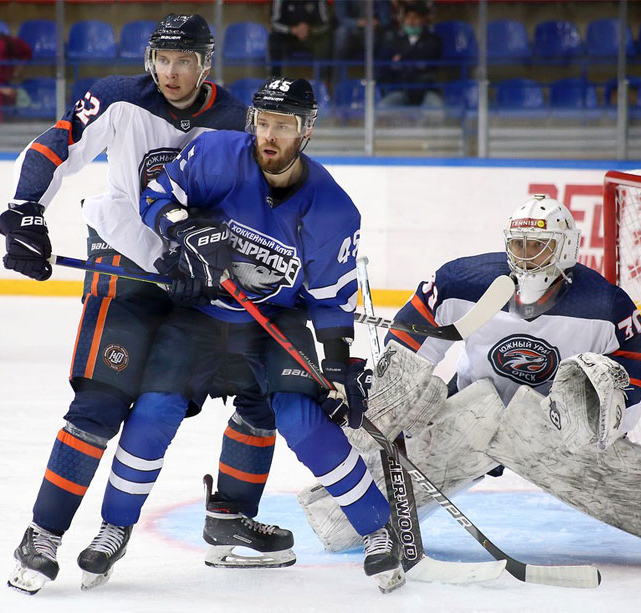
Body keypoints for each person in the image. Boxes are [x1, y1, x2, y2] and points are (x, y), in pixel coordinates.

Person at [0, 14, 294, 595]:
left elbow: (257, 205)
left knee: (162, 410)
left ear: (205, 64)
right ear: (149, 59)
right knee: (98, 406)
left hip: (194, 281)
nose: (171, 72)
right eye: (162, 59)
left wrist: (214, 262)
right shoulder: (115, 99)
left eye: (184, 61)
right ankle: (42, 534)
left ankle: (119, 528)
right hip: (124, 264)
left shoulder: (237, 120)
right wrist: (26, 213)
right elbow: (55, 146)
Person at [299, 194, 641, 573]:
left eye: (540, 246)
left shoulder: (604, 305)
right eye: (520, 245)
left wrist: (601, 419)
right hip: (472, 408)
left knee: (594, 453)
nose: (528, 257)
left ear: (566, 249)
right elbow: (410, 339)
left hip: (552, 425)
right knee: (345, 512)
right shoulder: (462, 281)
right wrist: (394, 399)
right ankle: (339, 513)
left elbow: (632, 372)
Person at [110, 77, 405, 593]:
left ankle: (378, 530)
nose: (269, 136)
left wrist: (337, 363)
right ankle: (114, 527)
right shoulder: (219, 154)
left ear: (307, 130)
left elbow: (330, 297)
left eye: (284, 126)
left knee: (303, 419)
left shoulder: (333, 207)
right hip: (203, 311)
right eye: (263, 122)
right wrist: (185, 231)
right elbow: (157, 197)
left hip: (275, 323)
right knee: (155, 408)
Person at [377, 1, 443, 108]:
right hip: (401, 90)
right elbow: (386, 65)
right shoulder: (395, 40)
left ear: (423, 20)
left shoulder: (433, 40)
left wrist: (401, 59)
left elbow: (429, 62)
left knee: (437, 110)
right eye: (408, 17)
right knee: (383, 107)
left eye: (415, 17)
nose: (411, 21)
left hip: (425, 91)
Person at [269, 0, 332, 77]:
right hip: (287, 36)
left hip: (311, 37)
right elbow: (274, 23)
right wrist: (292, 30)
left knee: (325, 40)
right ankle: (274, 80)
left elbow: (325, 24)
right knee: (274, 39)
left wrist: (310, 30)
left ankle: (322, 82)